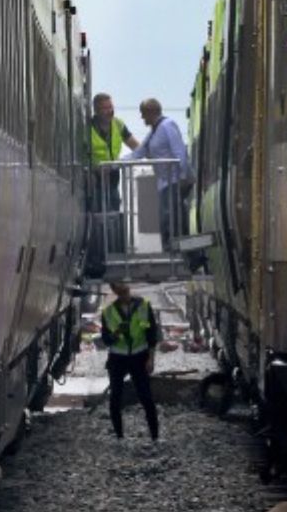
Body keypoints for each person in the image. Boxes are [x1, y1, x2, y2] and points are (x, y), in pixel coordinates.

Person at [125, 98, 195, 254]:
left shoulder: (168, 126)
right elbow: (139, 153)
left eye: (143, 114)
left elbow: (179, 153)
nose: (142, 118)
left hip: (174, 181)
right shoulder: (154, 131)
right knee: (166, 221)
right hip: (164, 184)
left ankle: (181, 257)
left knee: (171, 221)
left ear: (151, 112)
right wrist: (114, 164)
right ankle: (174, 255)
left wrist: (183, 177)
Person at [87, 93, 140, 275]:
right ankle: (99, 257)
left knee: (114, 214)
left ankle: (115, 253)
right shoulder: (87, 128)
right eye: (105, 108)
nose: (109, 111)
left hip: (112, 179)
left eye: (110, 107)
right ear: (96, 110)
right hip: (94, 181)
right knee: (98, 218)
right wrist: (94, 169)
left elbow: (135, 145)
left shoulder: (118, 124)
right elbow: (79, 154)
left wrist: (135, 157)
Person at [100, 282, 161, 441]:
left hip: (139, 356)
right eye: (120, 292)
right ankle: (119, 436)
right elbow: (106, 340)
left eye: (125, 291)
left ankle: (155, 436)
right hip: (117, 359)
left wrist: (151, 358)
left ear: (129, 290)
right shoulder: (108, 312)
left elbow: (151, 333)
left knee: (146, 397)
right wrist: (117, 333)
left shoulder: (143, 306)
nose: (124, 295)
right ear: (115, 293)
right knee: (115, 399)